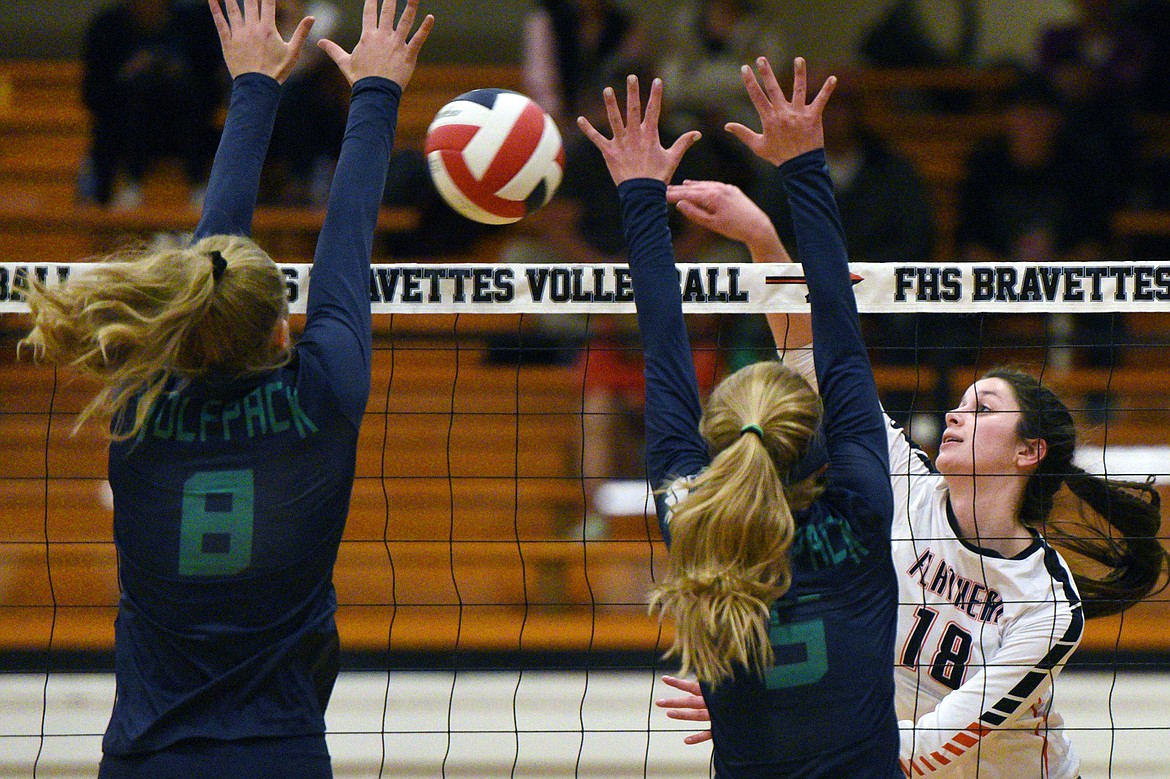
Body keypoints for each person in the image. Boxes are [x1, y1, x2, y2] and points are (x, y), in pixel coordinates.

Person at [20, 0, 433, 775]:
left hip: (147, 756)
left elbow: (212, 255)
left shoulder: (139, 402)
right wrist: (371, 92)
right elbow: (346, 243)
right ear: (282, 329)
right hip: (279, 753)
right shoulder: (321, 398)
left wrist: (252, 87)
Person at [655, 179, 1169, 777]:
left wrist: (783, 721)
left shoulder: (1047, 604)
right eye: (962, 403)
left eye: (983, 409)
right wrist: (762, 237)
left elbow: (930, 747)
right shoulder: (899, 484)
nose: (955, 414)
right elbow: (808, 356)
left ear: (1030, 451)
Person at [577, 58, 902, 776]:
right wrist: (805, 165)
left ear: (716, 439)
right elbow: (839, 330)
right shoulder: (861, 508)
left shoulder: (696, 522)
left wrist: (640, 197)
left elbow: (661, 351)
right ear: (812, 436)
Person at [79, 0, 226, 209]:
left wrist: (175, 71)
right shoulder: (106, 27)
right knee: (132, 101)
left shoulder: (194, 23)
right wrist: (128, 74)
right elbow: (92, 94)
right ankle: (127, 185)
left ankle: (199, 185)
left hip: (184, 127)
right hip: (124, 129)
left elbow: (212, 90)